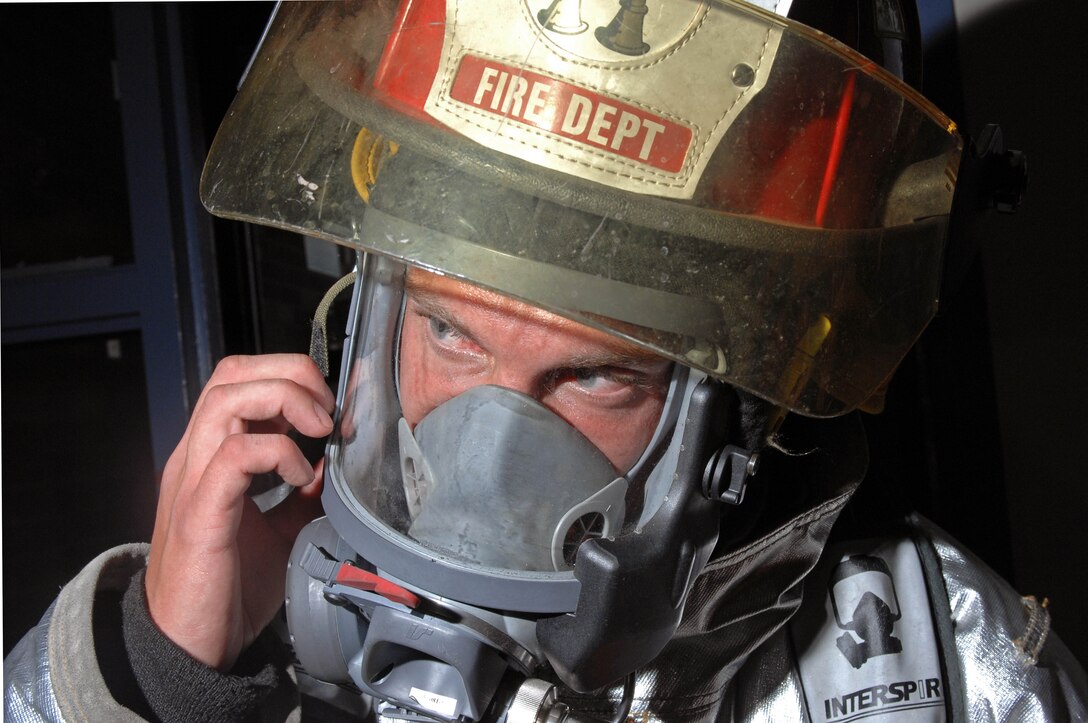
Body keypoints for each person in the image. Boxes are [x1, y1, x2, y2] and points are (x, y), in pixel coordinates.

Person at [5, 1, 1086, 721]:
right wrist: (158, 671)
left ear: (729, 424)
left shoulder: (932, 662)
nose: (487, 444)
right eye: (449, 331)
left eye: (596, 375)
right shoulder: (228, 621)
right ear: (367, 327)